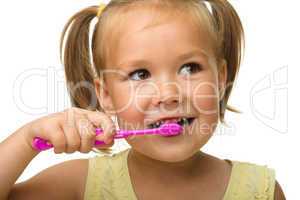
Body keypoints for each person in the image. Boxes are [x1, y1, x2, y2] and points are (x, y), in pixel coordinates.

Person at [0, 0, 286, 199]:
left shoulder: (261, 190)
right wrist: (26, 141)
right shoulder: (79, 184)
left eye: (190, 68)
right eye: (140, 74)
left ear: (220, 78)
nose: (169, 94)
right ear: (106, 95)